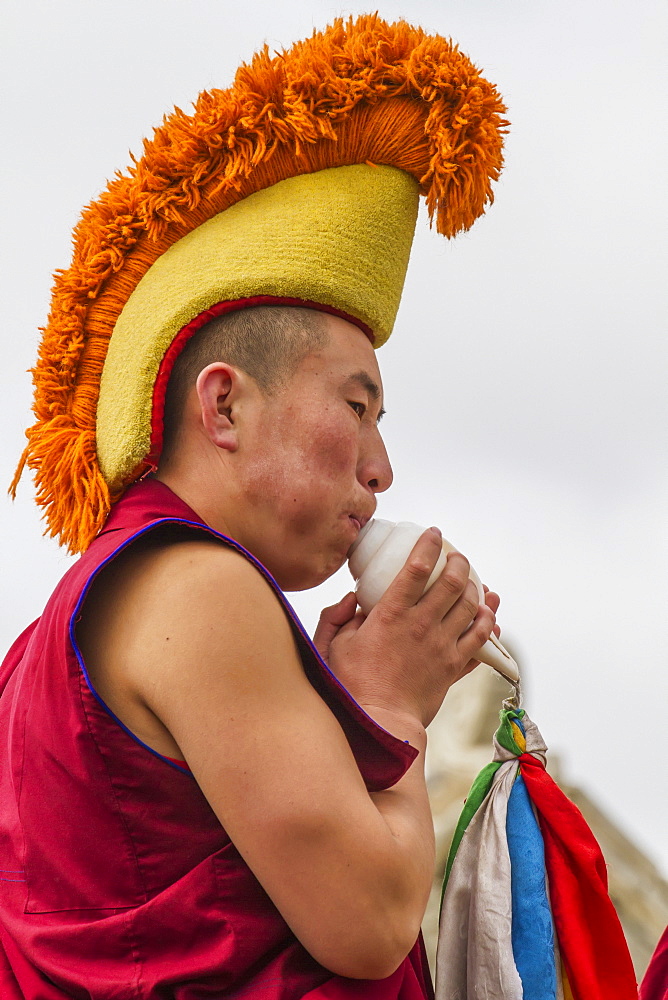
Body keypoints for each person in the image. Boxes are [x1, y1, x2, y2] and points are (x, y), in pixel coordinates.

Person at [1, 15, 508, 998]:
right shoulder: (198, 587)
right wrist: (391, 702)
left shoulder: (50, 637)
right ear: (223, 402)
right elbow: (364, 923)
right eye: (356, 409)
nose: (381, 468)